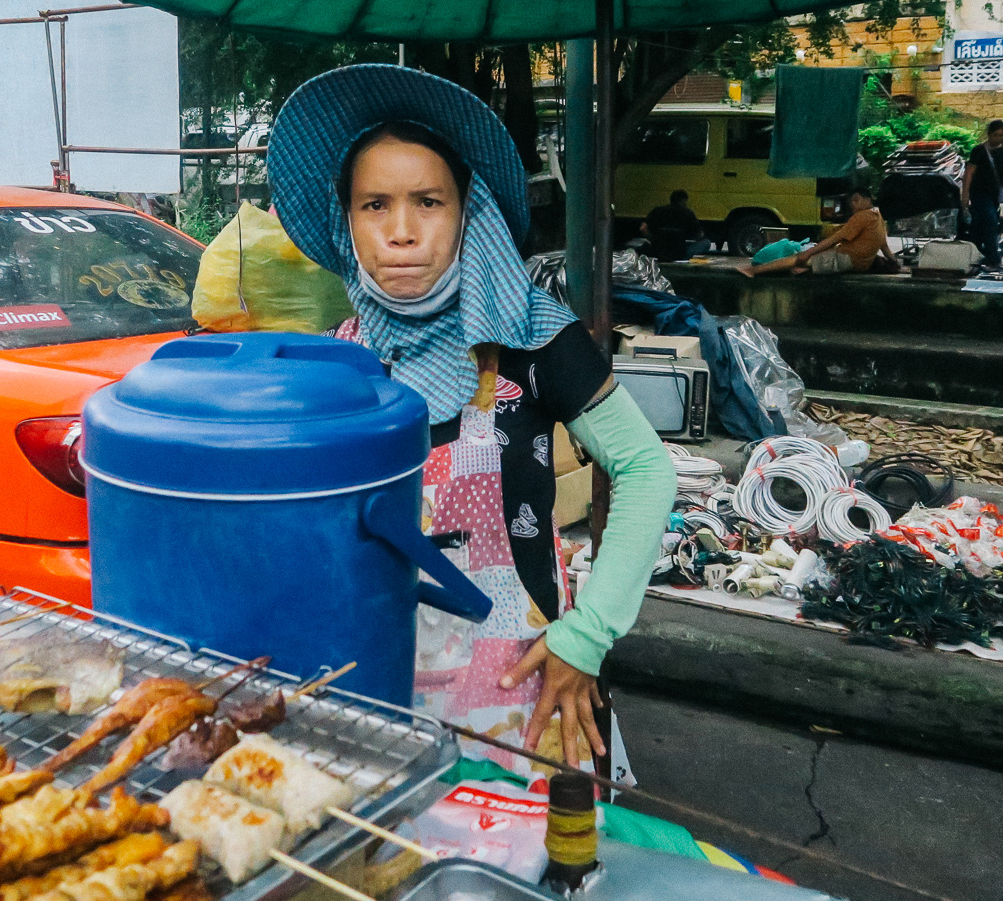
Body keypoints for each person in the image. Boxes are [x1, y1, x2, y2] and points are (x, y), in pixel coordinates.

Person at [267, 65, 673, 774]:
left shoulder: (536, 337)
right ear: (345, 221)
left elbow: (644, 469)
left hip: (526, 685)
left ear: (468, 212)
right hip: (380, 677)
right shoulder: (346, 358)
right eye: (373, 206)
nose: (400, 232)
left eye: (428, 202)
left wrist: (590, 635)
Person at [749, 187, 896, 276]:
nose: (852, 204)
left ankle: (754, 271)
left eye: (856, 200)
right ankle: (808, 267)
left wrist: (808, 253)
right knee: (814, 257)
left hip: (847, 260)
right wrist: (895, 263)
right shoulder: (878, 217)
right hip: (860, 264)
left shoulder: (863, 216)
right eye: (851, 201)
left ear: (868, 199)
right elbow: (885, 246)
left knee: (797, 258)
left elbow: (835, 239)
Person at [960, 120, 1003, 270]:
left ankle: (976, 254)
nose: (998, 138)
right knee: (990, 222)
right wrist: (965, 195)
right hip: (980, 193)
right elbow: (969, 173)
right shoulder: (979, 151)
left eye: (1001, 135)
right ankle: (994, 260)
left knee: (979, 226)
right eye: (995, 135)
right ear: (989, 134)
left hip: (996, 193)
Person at [642, 190, 708, 262]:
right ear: (683, 200)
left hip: (658, 251)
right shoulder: (688, 213)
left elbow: (643, 228)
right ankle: (685, 258)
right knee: (706, 242)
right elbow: (699, 234)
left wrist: (652, 239)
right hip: (679, 253)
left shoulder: (657, 211)